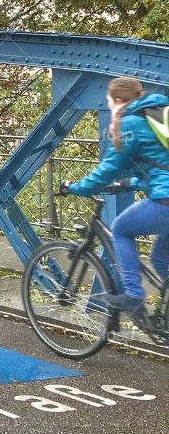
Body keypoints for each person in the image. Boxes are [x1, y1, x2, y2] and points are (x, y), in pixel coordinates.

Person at [66, 76, 169, 319]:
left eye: (109, 102)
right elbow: (159, 168)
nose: (109, 107)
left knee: (121, 229)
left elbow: (107, 169)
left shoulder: (131, 123)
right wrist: (129, 183)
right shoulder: (156, 117)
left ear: (119, 100)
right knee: (159, 258)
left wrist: (76, 187)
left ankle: (133, 295)